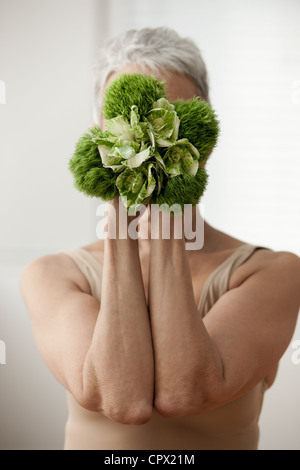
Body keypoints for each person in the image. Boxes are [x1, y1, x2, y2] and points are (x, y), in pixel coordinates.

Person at [20, 27, 300, 450]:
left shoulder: (274, 272)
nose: (155, 144)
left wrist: (170, 206)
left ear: (206, 136)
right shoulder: (51, 275)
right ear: (101, 136)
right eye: (133, 123)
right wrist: (122, 212)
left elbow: (183, 392)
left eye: (174, 120)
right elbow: (123, 400)